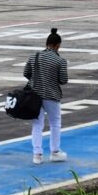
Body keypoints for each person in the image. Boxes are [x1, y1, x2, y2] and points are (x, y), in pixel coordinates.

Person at [24, 28, 69, 164]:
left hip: (35, 95)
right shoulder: (60, 61)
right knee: (55, 123)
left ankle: (37, 155)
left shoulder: (34, 56)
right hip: (52, 95)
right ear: (58, 45)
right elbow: (63, 80)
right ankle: (55, 152)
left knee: (37, 124)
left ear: (46, 43)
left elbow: (26, 73)